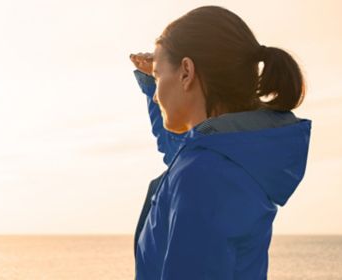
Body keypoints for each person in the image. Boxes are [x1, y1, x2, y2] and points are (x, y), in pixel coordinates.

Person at [128, 6, 312, 279]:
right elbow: (181, 153)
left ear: (186, 72)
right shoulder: (227, 158)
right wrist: (150, 79)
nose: (156, 95)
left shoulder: (202, 175)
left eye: (158, 77)